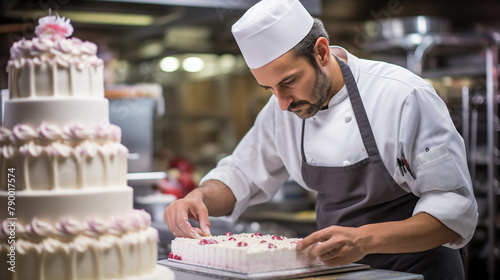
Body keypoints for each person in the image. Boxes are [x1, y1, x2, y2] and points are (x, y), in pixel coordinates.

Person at [164, 0, 478, 279]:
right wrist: (201, 196)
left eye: (289, 81)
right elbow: (242, 173)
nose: (283, 102)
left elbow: (454, 212)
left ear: (322, 52)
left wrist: (365, 239)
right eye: (269, 89)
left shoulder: (403, 96)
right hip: (340, 271)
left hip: (416, 270)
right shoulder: (281, 108)